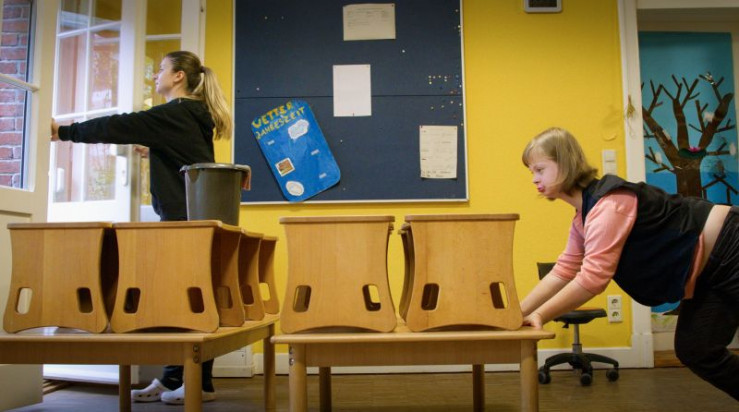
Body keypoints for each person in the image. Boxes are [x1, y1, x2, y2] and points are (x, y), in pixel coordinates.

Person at [51, 50, 232, 405]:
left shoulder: (175, 112)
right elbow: (192, 158)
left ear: (179, 76)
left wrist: (64, 131)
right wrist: (158, 152)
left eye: (161, 69)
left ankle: (200, 383)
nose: (155, 75)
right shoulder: (189, 116)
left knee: (187, 301)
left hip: (184, 221)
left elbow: (116, 125)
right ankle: (174, 378)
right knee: (181, 299)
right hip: (188, 217)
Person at [520, 127, 739, 401]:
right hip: (710, 272)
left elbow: (592, 279)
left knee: (698, 349)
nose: (534, 179)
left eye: (540, 169)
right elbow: (564, 270)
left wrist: (541, 315)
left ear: (564, 164)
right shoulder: (582, 218)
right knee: (696, 349)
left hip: (731, 246)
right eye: (532, 171)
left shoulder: (609, 204)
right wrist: (518, 314)